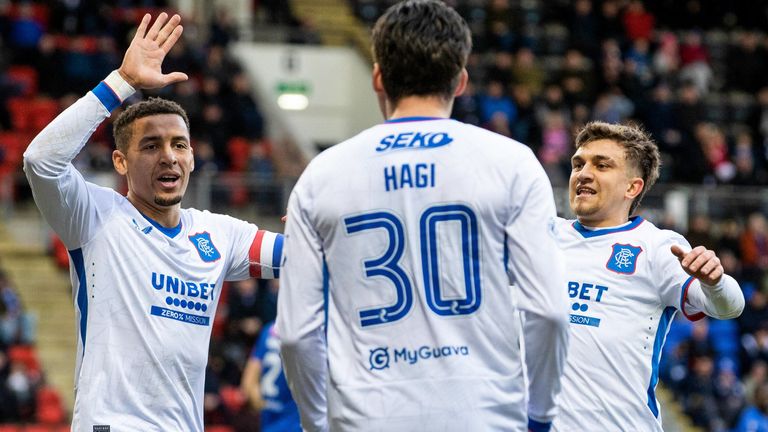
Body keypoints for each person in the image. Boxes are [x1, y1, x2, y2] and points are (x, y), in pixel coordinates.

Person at [277, 1, 570, 431]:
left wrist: (316, 422)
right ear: (461, 80)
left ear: (378, 77)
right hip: (484, 415)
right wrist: (540, 415)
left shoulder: (322, 175)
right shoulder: (512, 163)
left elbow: (296, 335)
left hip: (366, 417)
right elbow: (549, 312)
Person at [22, 13, 283, 431]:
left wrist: (315, 220)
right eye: (151, 145)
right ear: (120, 162)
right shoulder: (95, 217)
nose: (169, 156)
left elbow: (296, 254)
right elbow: (40, 161)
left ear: (193, 158)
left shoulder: (219, 233)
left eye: (180, 144)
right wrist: (122, 81)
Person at [552, 121, 744, 431]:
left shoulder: (658, 247)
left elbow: (729, 306)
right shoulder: (543, 236)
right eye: (579, 163)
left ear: (632, 187)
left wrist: (715, 281)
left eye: (602, 165)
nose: (584, 173)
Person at [240, 321, 301, 432]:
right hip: (295, 417)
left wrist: (262, 404)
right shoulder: (308, 330)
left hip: (269, 416)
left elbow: (248, 382)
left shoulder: (269, 330)